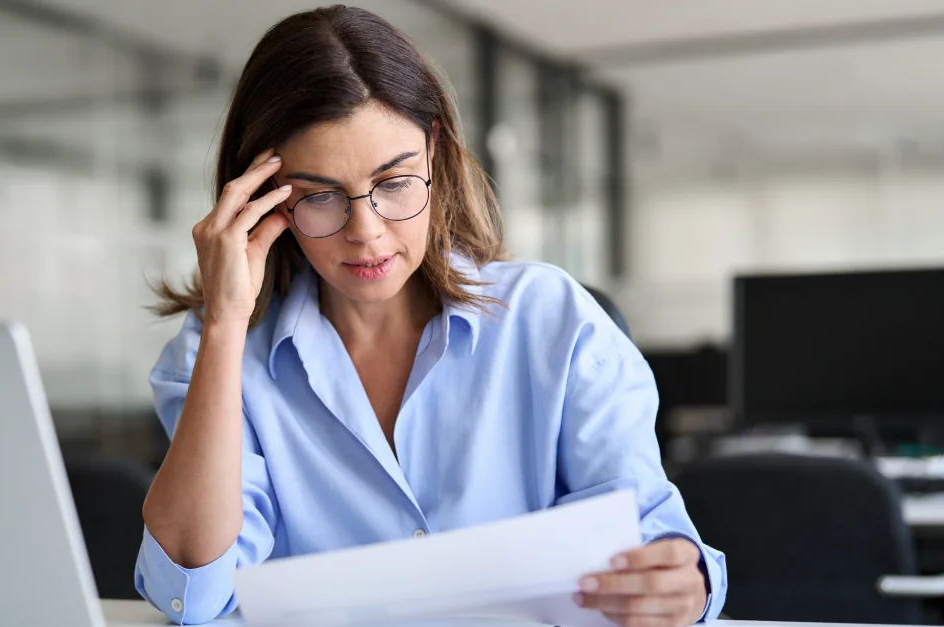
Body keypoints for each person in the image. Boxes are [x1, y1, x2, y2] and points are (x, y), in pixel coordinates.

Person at [135, 6, 726, 626]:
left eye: (393, 183)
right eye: (319, 196)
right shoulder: (217, 351)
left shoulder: (552, 320)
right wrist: (227, 322)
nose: (366, 233)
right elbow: (195, 593)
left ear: (434, 153)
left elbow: (650, 532)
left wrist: (682, 580)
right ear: (262, 198)